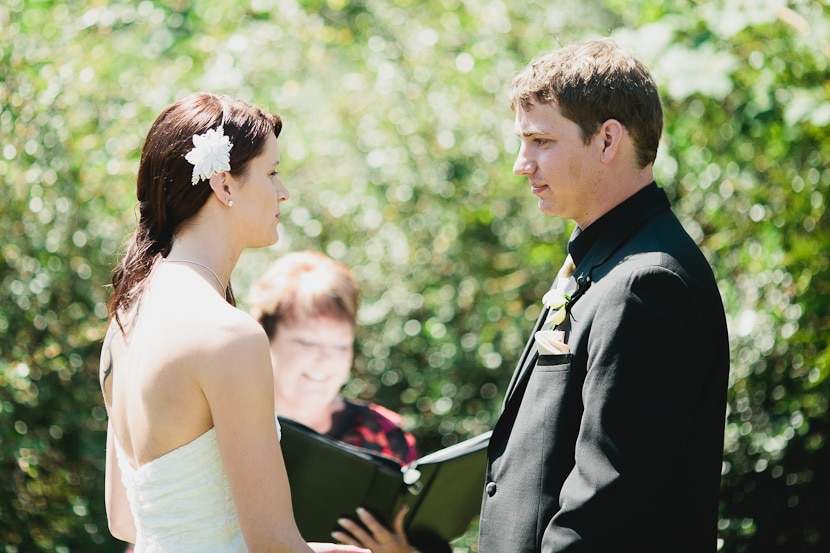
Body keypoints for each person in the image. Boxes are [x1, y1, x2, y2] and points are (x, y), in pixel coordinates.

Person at [477, 39, 730, 552]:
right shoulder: (604, 258)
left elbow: (608, 509)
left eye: (541, 141)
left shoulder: (647, 284)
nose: (521, 164)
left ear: (608, 140)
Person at [99, 92, 367, 553]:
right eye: (272, 172)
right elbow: (274, 545)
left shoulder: (126, 317)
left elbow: (126, 521)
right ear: (224, 186)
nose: (284, 191)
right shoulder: (228, 335)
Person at [248, 251, 449, 553]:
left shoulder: (384, 434)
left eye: (340, 345)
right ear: (263, 336)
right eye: (307, 342)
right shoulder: (231, 426)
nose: (325, 362)